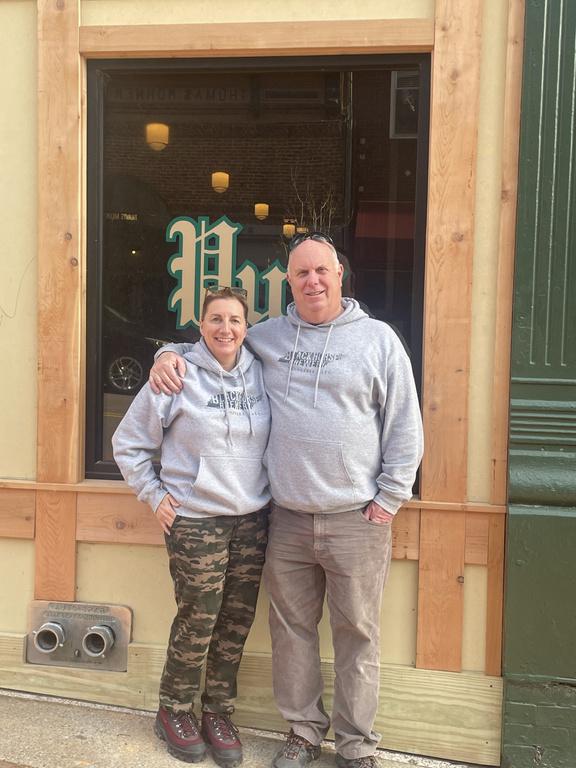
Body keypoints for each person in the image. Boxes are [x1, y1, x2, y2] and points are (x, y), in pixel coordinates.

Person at [150, 233, 424, 768]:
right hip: (288, 519)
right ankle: (302, 732)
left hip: (357, 518)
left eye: (321, 270)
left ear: (340, 274)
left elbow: (405, 425)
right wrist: (166, 354)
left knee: (358, 635)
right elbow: (216, 342)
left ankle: (356, 746)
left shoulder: (379, 340)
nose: (312, 281)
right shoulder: (269, 337)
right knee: (292, 633)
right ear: (290, 282)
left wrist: (390, 498)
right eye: (301, 273)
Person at [113, 286, 270, 767]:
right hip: (197, 521)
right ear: (200, 325)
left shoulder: (261, 371)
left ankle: (218, 712)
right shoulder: (176, 374)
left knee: (235, 621)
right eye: (216, 319)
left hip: (252, 519)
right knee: (199, 618)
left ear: (247, 327)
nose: (226, 328)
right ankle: (174, 710)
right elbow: (128, 443)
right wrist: (154, 494)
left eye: (235, 320)